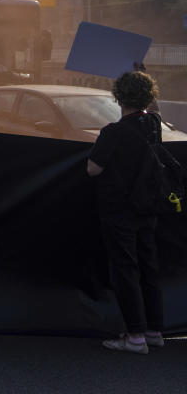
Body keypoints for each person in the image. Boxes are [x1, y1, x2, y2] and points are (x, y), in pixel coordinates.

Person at [88, 70, 165, 354]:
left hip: (119, 211)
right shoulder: (153, 125)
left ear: (118, 98)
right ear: (148, 97)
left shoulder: (114, 132)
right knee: (149, 268)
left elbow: (93, 168)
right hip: (148, 208)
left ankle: (134, 337)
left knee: (126, 271)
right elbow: (154, 110)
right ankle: (154, 330)